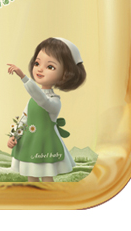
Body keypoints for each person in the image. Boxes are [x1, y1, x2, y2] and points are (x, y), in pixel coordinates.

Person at [6, 37, 87, 182]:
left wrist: (24, 78)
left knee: (47, 175)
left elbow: (43, 100)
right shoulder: (33, 99)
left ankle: (48, 195)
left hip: (47, 145)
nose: (40, 69)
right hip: (30, 143)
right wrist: (14, 136)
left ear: (65, 75)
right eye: (37, 63)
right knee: (31, 174)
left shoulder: (54, 101)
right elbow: (24, 119)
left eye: (50, 67)